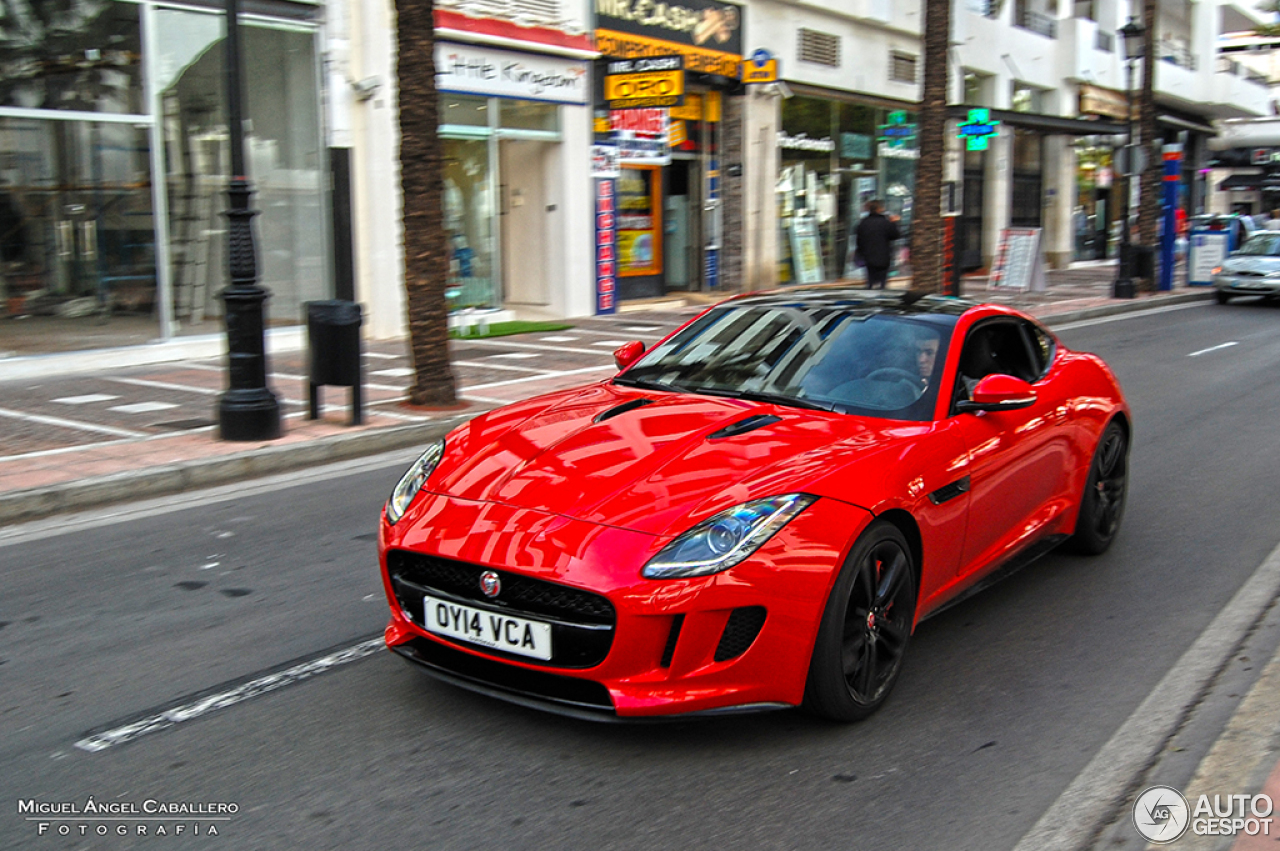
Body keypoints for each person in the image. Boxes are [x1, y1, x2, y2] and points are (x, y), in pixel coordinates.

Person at [855, 199, 900, 289]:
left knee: (870, 280)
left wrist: (860, 253)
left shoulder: (863, 223)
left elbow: (859, 240)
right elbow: (895, 235)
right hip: (883, 257)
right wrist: (894, 223)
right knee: (882, 282)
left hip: (868, 257)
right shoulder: (885, 223)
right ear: (880, 209)